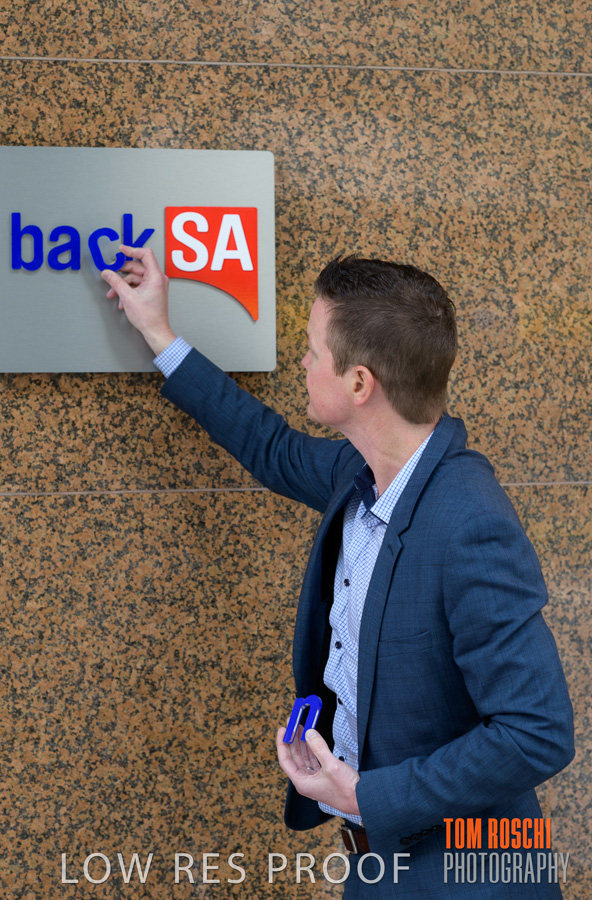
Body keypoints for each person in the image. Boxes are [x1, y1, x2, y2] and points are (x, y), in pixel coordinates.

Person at [102, 247, 574, 898]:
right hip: (372, 864)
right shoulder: (358, 473)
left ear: (359, 383)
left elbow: (537, 732)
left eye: (312, 350)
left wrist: (367, 795)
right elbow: (267, 445)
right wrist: (158, 331)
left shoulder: (470, 523)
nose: (302, 362)